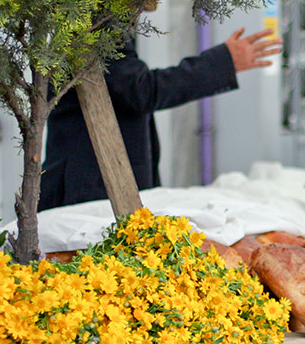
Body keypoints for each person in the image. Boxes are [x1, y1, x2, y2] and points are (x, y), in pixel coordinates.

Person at [39, 19, 281, 211]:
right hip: (84, 192)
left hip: (94, 190)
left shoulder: (110, 21)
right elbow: (141, 90)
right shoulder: (99, 23)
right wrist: (221, 63)